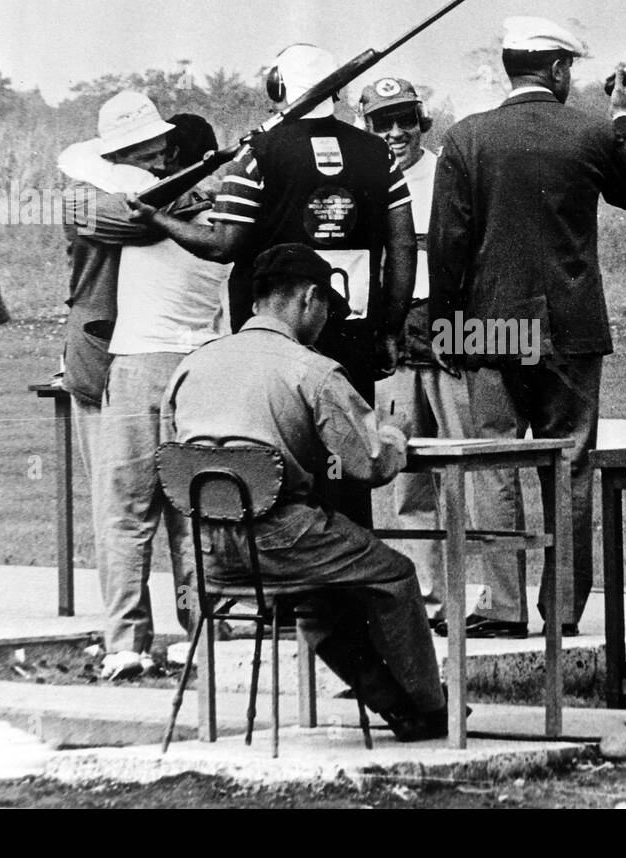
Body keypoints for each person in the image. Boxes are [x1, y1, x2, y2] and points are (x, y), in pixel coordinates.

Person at [162, 243, 449, 741]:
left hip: (208, 550)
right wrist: (392, 432)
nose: (325, 324)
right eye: (326, 312)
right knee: (395, 575)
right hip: (281, 538)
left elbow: (173, 459)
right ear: (310, 299)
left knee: (319, 602)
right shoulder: (312, 370)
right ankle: (430, 708)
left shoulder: (193, 365)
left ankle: (397, 707)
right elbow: (371, 464)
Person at [429, 17, 626, 638]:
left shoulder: (466, 138)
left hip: (490, 328)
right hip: (572, 330)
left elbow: (448, 247)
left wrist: (446, 329)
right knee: (570, 465)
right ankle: (560, 613)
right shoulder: (590, 133)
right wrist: (621, 116)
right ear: (557, 71)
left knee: (495, 460)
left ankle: (502, 606)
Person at [140, 44, 417, 529]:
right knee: (350, 468)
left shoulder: (259, 154)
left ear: (280, 89)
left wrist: (157, 218)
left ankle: (293, 596)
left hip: (273, 347)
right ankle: (347, 591)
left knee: (282, 473)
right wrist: (388, 329)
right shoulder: (377, 153)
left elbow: (223, 244)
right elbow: (404, 251)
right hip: (353, 338)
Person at [67, 93, 230, 679]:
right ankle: (193, 633)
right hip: (185, 364)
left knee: (129, 512)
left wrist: (176, 197)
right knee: (192, 513)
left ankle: (132, 643)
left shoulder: (132, 207)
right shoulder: (206, 221)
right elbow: (131, 213)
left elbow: (128, 211)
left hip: (139, 363)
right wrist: (195, 192)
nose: (156, 162)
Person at [359, 77, 476, 630]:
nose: (395, 131)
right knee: (405, 471)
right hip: (390, 328)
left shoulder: (447, 170)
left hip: (445, 321)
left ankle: (468, 599)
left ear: (421, 121)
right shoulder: (363, 178)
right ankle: (421, 597)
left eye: (405, 119)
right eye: (383, 122)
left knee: (462, 466)